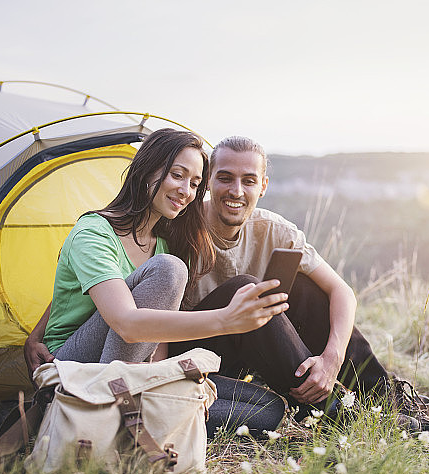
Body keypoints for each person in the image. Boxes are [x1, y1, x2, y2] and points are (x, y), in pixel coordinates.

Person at [167, 136, 429, 437]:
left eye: (248, 181)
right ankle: (341, 415)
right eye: (225, 178)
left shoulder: (274, 230)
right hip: (197, 356)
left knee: (305, 290)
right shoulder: (180, 227)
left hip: (252, 353)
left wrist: (331, 359)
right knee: (248, 289)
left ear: (263, 186)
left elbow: (341, 291)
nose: (236, 191)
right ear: (207, 181)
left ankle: (383, 401)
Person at [30, 128, 288, 368]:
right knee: (170, 268)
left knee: (266, 409)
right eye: (177, 175)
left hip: (132, 369)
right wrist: (225, 319)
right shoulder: (94, 233)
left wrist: (160, 380)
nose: (186, 191)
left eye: (195, 183)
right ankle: (113, 404)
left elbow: (156, 345)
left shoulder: (164, 244)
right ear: (147, 170)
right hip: (69, 364)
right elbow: (126, 323)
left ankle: (135, 401)